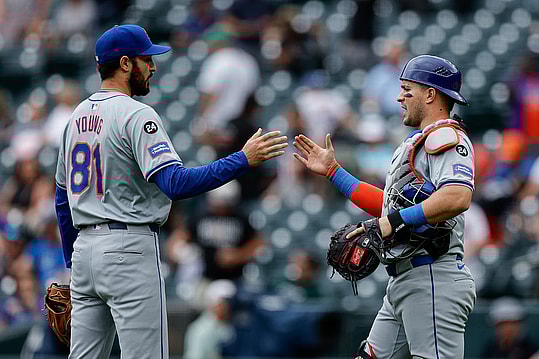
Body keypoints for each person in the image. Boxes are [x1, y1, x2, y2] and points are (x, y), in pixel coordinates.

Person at [54, 24, 287, 359]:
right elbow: (175, 184)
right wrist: (242, 159)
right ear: (124, 64)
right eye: (146, 59)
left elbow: (62, 200)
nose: (153, 66)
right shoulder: (136, 114)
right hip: (128, 248)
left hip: (84, 254)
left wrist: (71, 263)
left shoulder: (74, 118)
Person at [293, 55, 476, 358]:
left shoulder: (447, 136)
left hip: (433, 277)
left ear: (430, 94)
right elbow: (388, 208)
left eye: (407, 89)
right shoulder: (415, 142)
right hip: (406, 279)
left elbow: (457, 197)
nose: (399, 97)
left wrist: (392, 222)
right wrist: (333, 172)